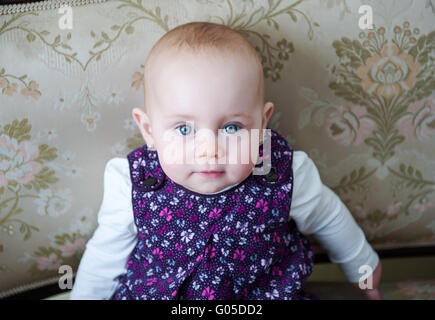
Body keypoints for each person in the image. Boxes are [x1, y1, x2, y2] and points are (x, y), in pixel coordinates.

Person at [70, 21, 381, 300]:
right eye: (183, 129)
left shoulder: (283, 174)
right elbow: (105, 256)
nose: (209, 149)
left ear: (262, 125)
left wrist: (363, 269)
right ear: (150, 131)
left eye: (231, 127)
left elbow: (329, 218)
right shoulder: (133, 182)